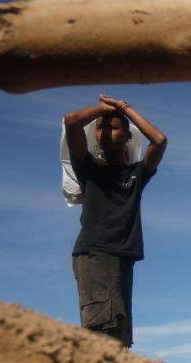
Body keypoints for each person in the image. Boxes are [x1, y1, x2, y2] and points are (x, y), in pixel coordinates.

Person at [63, 95, 167, 348]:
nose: (105, 131)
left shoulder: (136, 174)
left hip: (122, 257)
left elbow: (159, 140)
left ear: (128, 136)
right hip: (95, 254)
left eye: (113, 127)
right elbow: (72, 121)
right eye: (100, 127)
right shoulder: (89, 169)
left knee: (118, 333)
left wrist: (125, 109)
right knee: (102, 330)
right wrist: (103, 108)